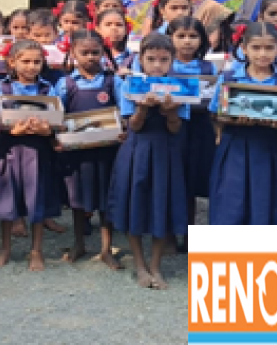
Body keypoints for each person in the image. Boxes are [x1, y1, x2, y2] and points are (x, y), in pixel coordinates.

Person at [208, 22, 277, 225]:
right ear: (244, 48)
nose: (262, 54)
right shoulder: (229, 78)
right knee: (232, 201)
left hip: (272, 148)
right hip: (236, 147)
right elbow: (216, 113)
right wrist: (231, 120)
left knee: (268, 200)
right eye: (256, 47)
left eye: (269, 48)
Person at [111, 33, 186, 289]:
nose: (157, 65)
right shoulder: (130, 85)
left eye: (164, 60)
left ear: (172, 61)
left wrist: (171, 112)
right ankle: (140, 265)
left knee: (160, 204)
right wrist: (142, 108)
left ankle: (156, 265)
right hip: (137, 150)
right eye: (151, 59)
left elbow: (176, 128)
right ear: (140, 59)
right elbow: (133, 125)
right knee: (135, 203)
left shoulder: (180, 87)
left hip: (165, 151)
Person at [0, 39, 61, 272]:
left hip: (37, 151)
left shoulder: (48, 89)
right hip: (9, 148)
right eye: (25, 61)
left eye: (36, 62)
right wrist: (10, 129)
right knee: (7, 198)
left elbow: (58, 119)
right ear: (12, 62)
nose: (31, 66)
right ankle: (5, 247)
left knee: (37, 198)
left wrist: (47, 130)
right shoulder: (1, 88)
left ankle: (36, 250)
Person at [54, 29, 123, 271]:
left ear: (103, 53)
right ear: (73, 53)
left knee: (106, 198)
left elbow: (124, 111)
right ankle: (79, 244)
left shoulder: (113, 81)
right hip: (77, 152)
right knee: (77, 199)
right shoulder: (65, 83)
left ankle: (106, 248)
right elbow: (57, 115)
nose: (91, 57)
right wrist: (59, 135)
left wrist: (122, 129)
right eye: (84, 52)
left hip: (107, 151)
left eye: (96, 52)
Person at [167, 16, 217, 234]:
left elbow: (215, 97)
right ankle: (169, 233)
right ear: (170, 38)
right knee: (173, 179)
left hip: (200, 129)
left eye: (193, 36)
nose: (187, 41)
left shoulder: (208, 67)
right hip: (171, 128)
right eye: (181, 36)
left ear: (202, 39)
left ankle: (188, 232)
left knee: (192, 182)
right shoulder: (165, 65)